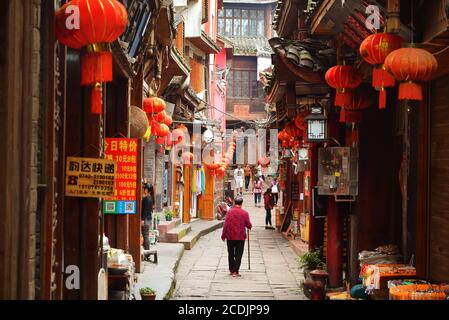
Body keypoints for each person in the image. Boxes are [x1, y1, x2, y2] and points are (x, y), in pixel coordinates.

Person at [221, 196, 252, 277]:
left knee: (230, 253)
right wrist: (249, 226)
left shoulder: (229, 212)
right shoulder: (245, 213)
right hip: (240, 237)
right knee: (238, 254)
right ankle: (235, 271)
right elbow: (248, 224)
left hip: (230, 236)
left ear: (234, 203)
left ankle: (231, 269)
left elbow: (226, 225)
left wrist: (223, 235)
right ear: (241, 203)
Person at [141, 184, 154, 250]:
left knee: (145, 236)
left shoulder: (147, 199)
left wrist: (142, 220)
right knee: (145, 235)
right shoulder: (150, 198)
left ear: (148, 190)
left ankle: (147, 252)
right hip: (148, 219)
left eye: (145, 189)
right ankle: (146, 251)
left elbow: (145, 210)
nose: (144, 190)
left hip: (145, 219)